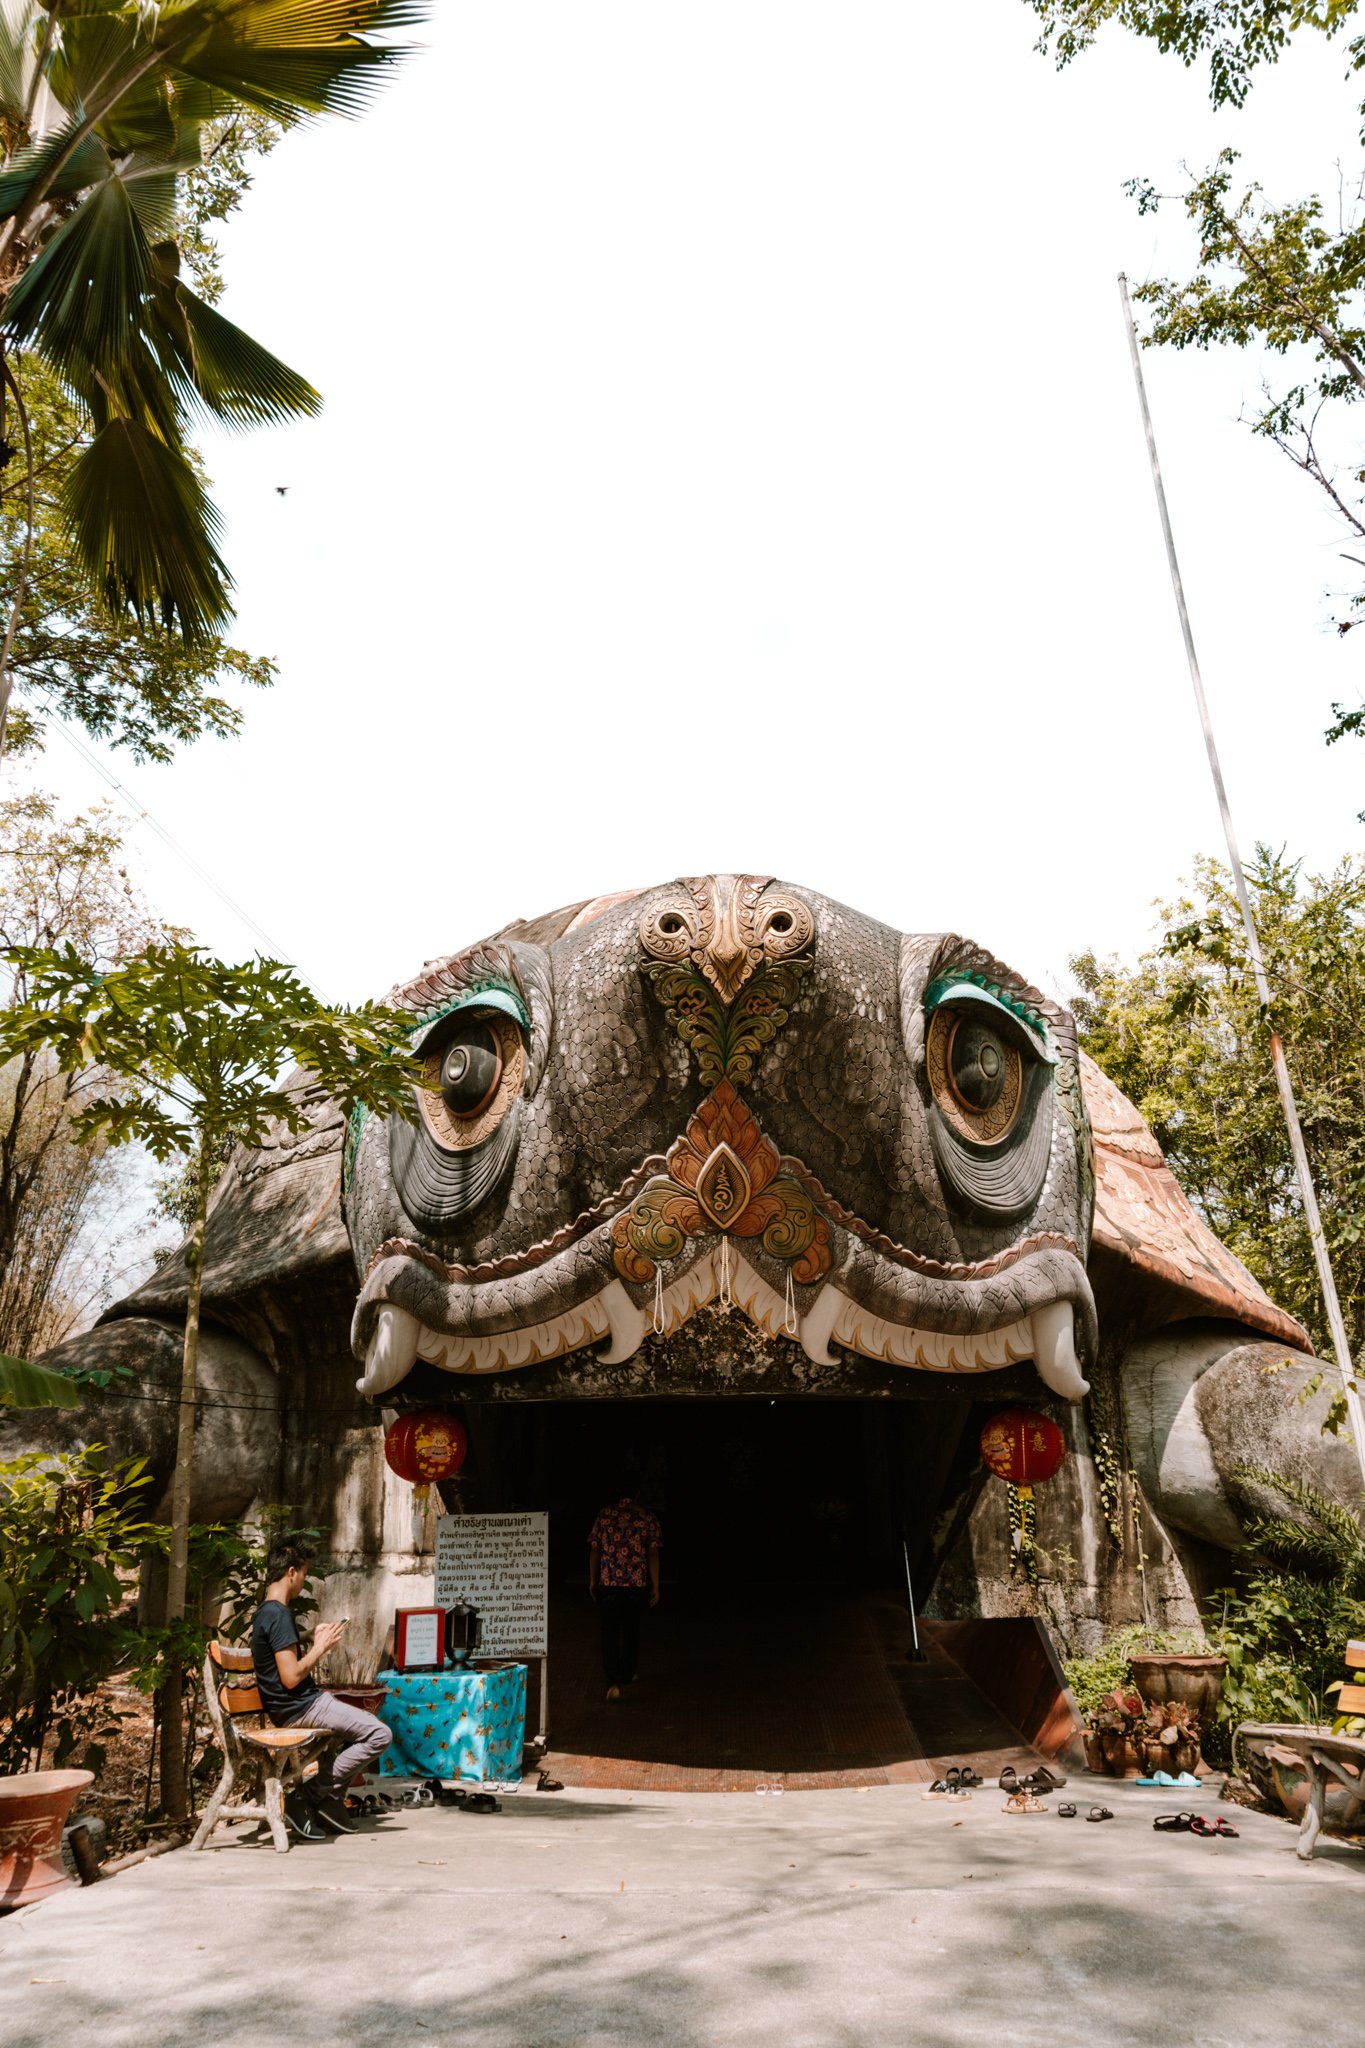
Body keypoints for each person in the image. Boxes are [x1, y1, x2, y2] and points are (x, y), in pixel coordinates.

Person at [250, 1532, 392, 1841]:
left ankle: (329, 1801)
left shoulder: (266, 1612)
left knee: (353, 1735)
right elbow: (290, 1677)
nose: (302, 1581)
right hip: (301, 1707)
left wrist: (310, 1638)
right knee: (379, 1734)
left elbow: (279, 1654)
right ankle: (307, 1797)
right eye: (302, 1573)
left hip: (297, 1705)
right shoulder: (279, 1614)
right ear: (291, 1572)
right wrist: (321, 1648)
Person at [588, 1488, 661, 1702]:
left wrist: (593, 1579)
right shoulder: (646, 1517)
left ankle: (612, 1682)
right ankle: (627, 1672)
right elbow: (653, 1552)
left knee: (609, 1632)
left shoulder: (604, 1515)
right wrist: (655, 1584)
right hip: (636, 1584)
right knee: (631, 1629)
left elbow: (594, 1550)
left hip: (609, 1582)